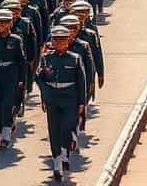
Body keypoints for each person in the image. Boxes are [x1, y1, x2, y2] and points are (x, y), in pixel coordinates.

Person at [36, 25, 87, 181]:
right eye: (56, 40)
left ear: (68, 41)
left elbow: (81, 81)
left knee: (67, 126)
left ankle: (67, 146)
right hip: (52, 98)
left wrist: (81, 103)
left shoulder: (75, 58)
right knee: (54, 131)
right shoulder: (46, 58)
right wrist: (45, 96)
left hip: (69, 98)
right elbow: (39, 78)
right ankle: (57, 163)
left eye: (62, 40)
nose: (59, 43)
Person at [0, 9, 27, 149]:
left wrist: (22, 79)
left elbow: (21, 61)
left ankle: (6, 134)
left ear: (10, 23)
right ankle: (3, 128)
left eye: (3, 22)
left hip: (10, 75)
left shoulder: (16, 40)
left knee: (7, 105)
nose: (0, 25)